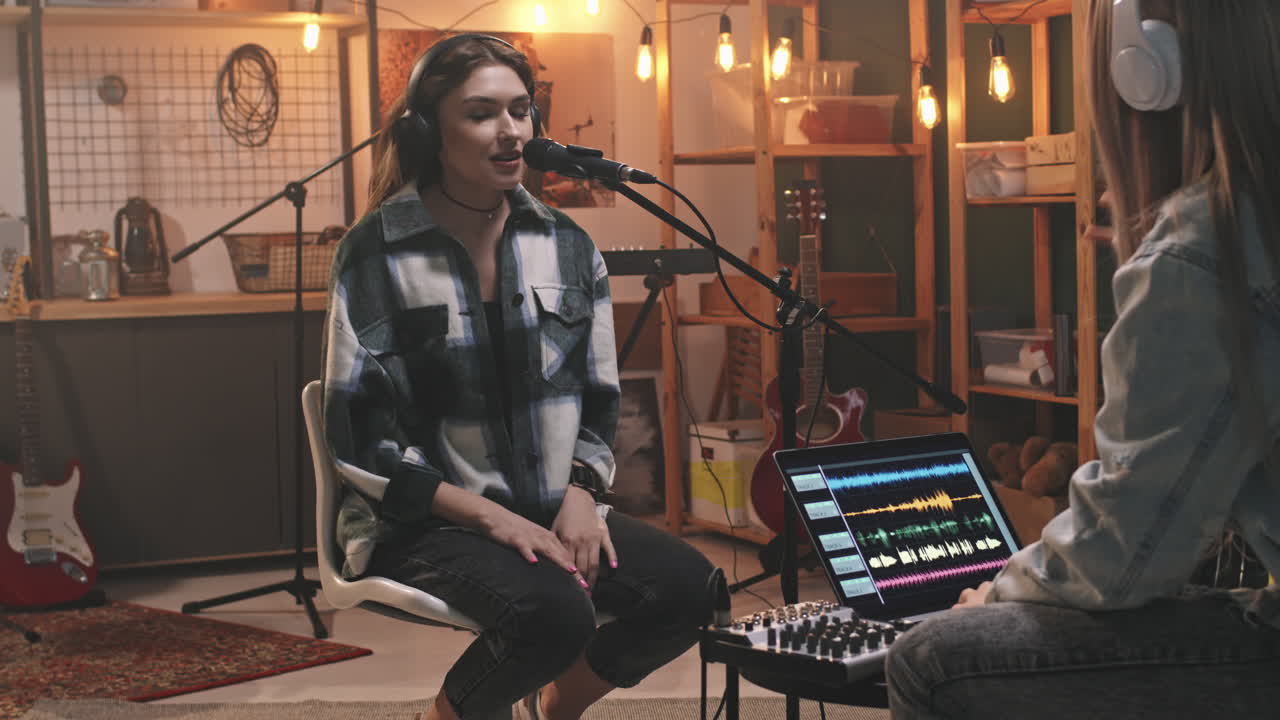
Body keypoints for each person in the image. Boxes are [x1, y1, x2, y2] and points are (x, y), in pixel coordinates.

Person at [886, 1, 1280, 717]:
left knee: (934, 658)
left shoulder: (1205, 246)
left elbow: (1127, 549)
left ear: (1145, 72)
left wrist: (992, 596)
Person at [321, 34, 714, 720]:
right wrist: (494, 519)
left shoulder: (567, 245)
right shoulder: (374, 252)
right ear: (429, 131)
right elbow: (360, 436)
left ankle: (555, 708)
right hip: (423, 523)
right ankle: (449, 713)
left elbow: (597, 398)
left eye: (520, 110)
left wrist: (584, 493)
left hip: (544, 502)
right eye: (481, 113)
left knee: (692, 592)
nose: (509, 132)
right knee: (556, 615)